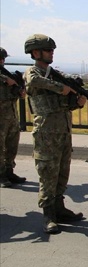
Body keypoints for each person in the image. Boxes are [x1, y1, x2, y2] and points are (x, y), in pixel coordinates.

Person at [24, 34, 85, 234]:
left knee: (62, 172)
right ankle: (48, 214)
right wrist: (63, 88)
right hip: (46, 133)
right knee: (47, 173)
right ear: (35, 52)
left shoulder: (55, 74)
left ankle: (59, 207)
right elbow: (36, 82)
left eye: (52, 50)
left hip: (63, 131)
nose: (51, 53)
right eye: (48, 50)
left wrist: (77, 101)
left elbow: (67, 103)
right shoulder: (33, 73)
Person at [0, 47, 27, 188]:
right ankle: (1, 175)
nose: (2, 61)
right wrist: (6, 79)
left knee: (11, 146)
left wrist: (20, 91)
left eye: (3, 59)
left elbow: (15, 94)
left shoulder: (6, 75)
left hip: (11, 116)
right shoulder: (4, 77)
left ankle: (9, 171)